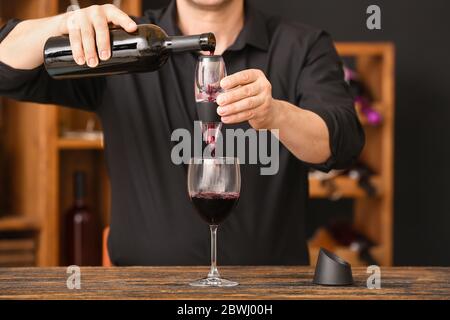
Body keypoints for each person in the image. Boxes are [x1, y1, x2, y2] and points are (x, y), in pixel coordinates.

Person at [0, 0, 364, 265]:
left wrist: (276, 113)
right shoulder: (123, 44)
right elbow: (7, 73)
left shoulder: (302, 46)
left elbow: (343, 143)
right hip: (140, 292)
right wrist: (63, 24)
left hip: (269, 295)